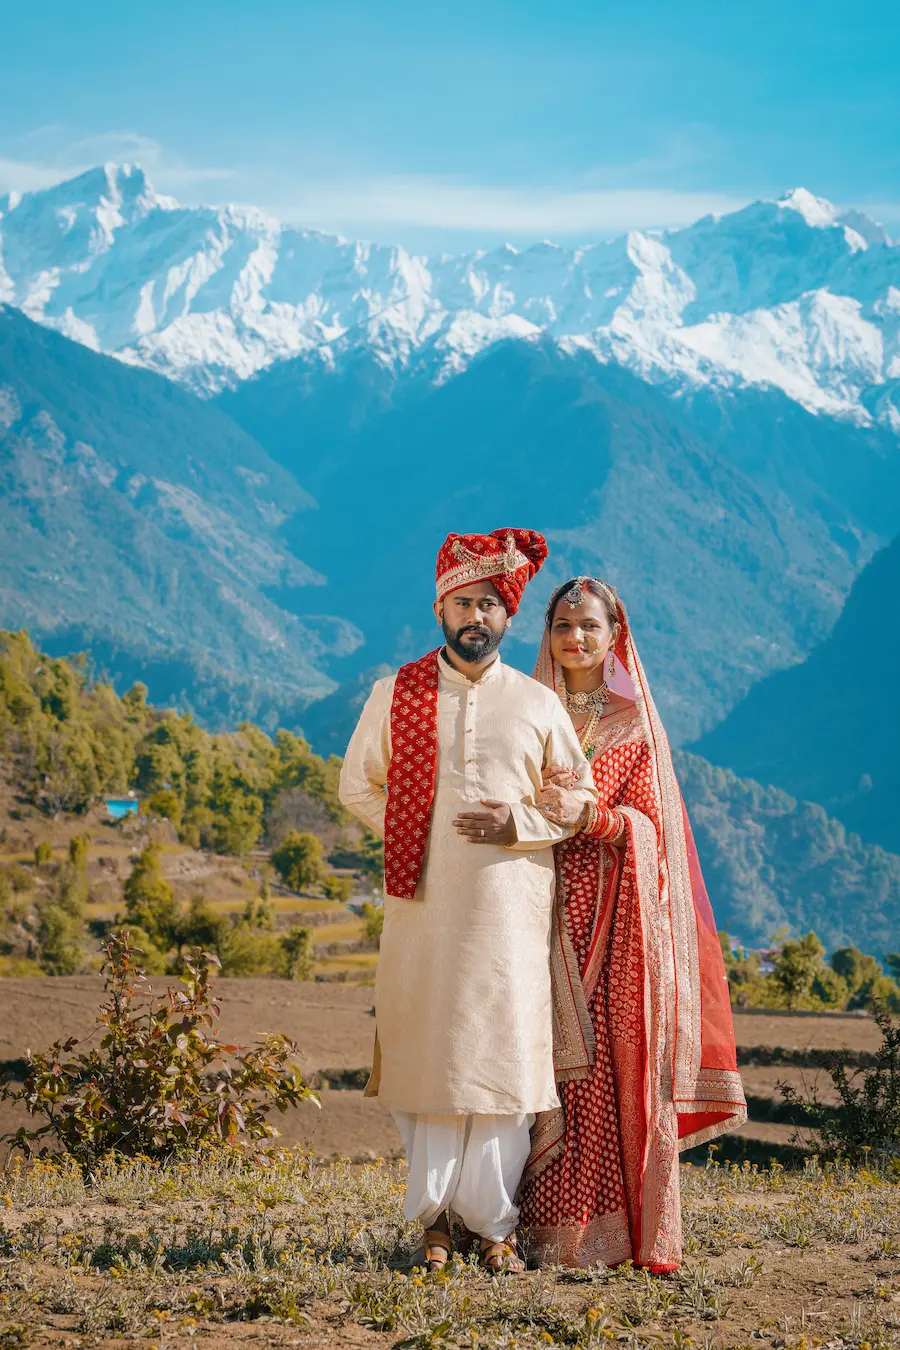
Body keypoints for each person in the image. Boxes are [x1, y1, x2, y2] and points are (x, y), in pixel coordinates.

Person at [338, 530, 597, 1274]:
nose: (474, 614)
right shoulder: (398, 694)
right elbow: (357, 786)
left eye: (488, 602)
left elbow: (577, 795)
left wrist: (519, 823)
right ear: (440, 609)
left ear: (508, 616)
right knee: (430, 1063)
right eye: (461, 602)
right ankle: (433, 1226)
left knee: (502, 1064)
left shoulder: (537, 702)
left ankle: (495, 1228)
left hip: (511, 917)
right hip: (422, 913)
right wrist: (418, 826)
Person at [516, 576, 747, 1272]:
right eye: (562, 624)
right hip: (529, 908)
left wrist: (595, 819)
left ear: (616, 637)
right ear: (548, 634)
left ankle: (606, 1235)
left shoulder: (633, 723)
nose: (575, 638)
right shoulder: (526, 712)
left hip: (614, 922)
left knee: (601, 1070)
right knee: (534, 1067)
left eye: (589, 625)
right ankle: (524, 1228)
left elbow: (653, 826)